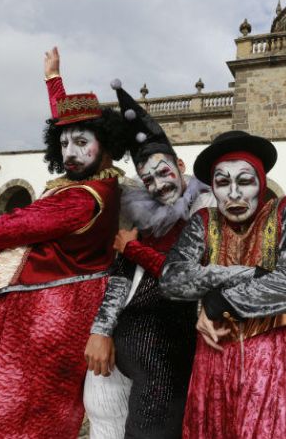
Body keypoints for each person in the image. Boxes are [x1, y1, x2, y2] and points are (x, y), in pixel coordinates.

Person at [0, 47, 129, 439]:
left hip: (40, 320)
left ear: (106, 144)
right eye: (64, 144)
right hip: (39, 309)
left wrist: (12, 219)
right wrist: (53, 79)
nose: (70, 153)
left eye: (81, 143)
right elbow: (67, 121)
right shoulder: (94, 181)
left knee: (15, 404)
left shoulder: (81, 198)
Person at [160, 130, 286, 439]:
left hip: (272, 361)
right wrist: (252, 273)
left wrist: (219, 301)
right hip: (214, 358)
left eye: (244, 181)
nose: (233, 193)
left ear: (261, 182)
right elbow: (171, 279)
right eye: (222, 183)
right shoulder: (204, 222)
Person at [82, 80, 214, 438]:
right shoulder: (144, 216)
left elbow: (188, 276)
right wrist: (101, 329)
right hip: (119, 344)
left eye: (163, 172)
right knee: (102, 416)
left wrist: (135, 249)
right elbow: (120, 276)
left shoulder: (206, 210)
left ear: (180, 164)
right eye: (148, 179)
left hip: (167, 353)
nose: (158, 185)